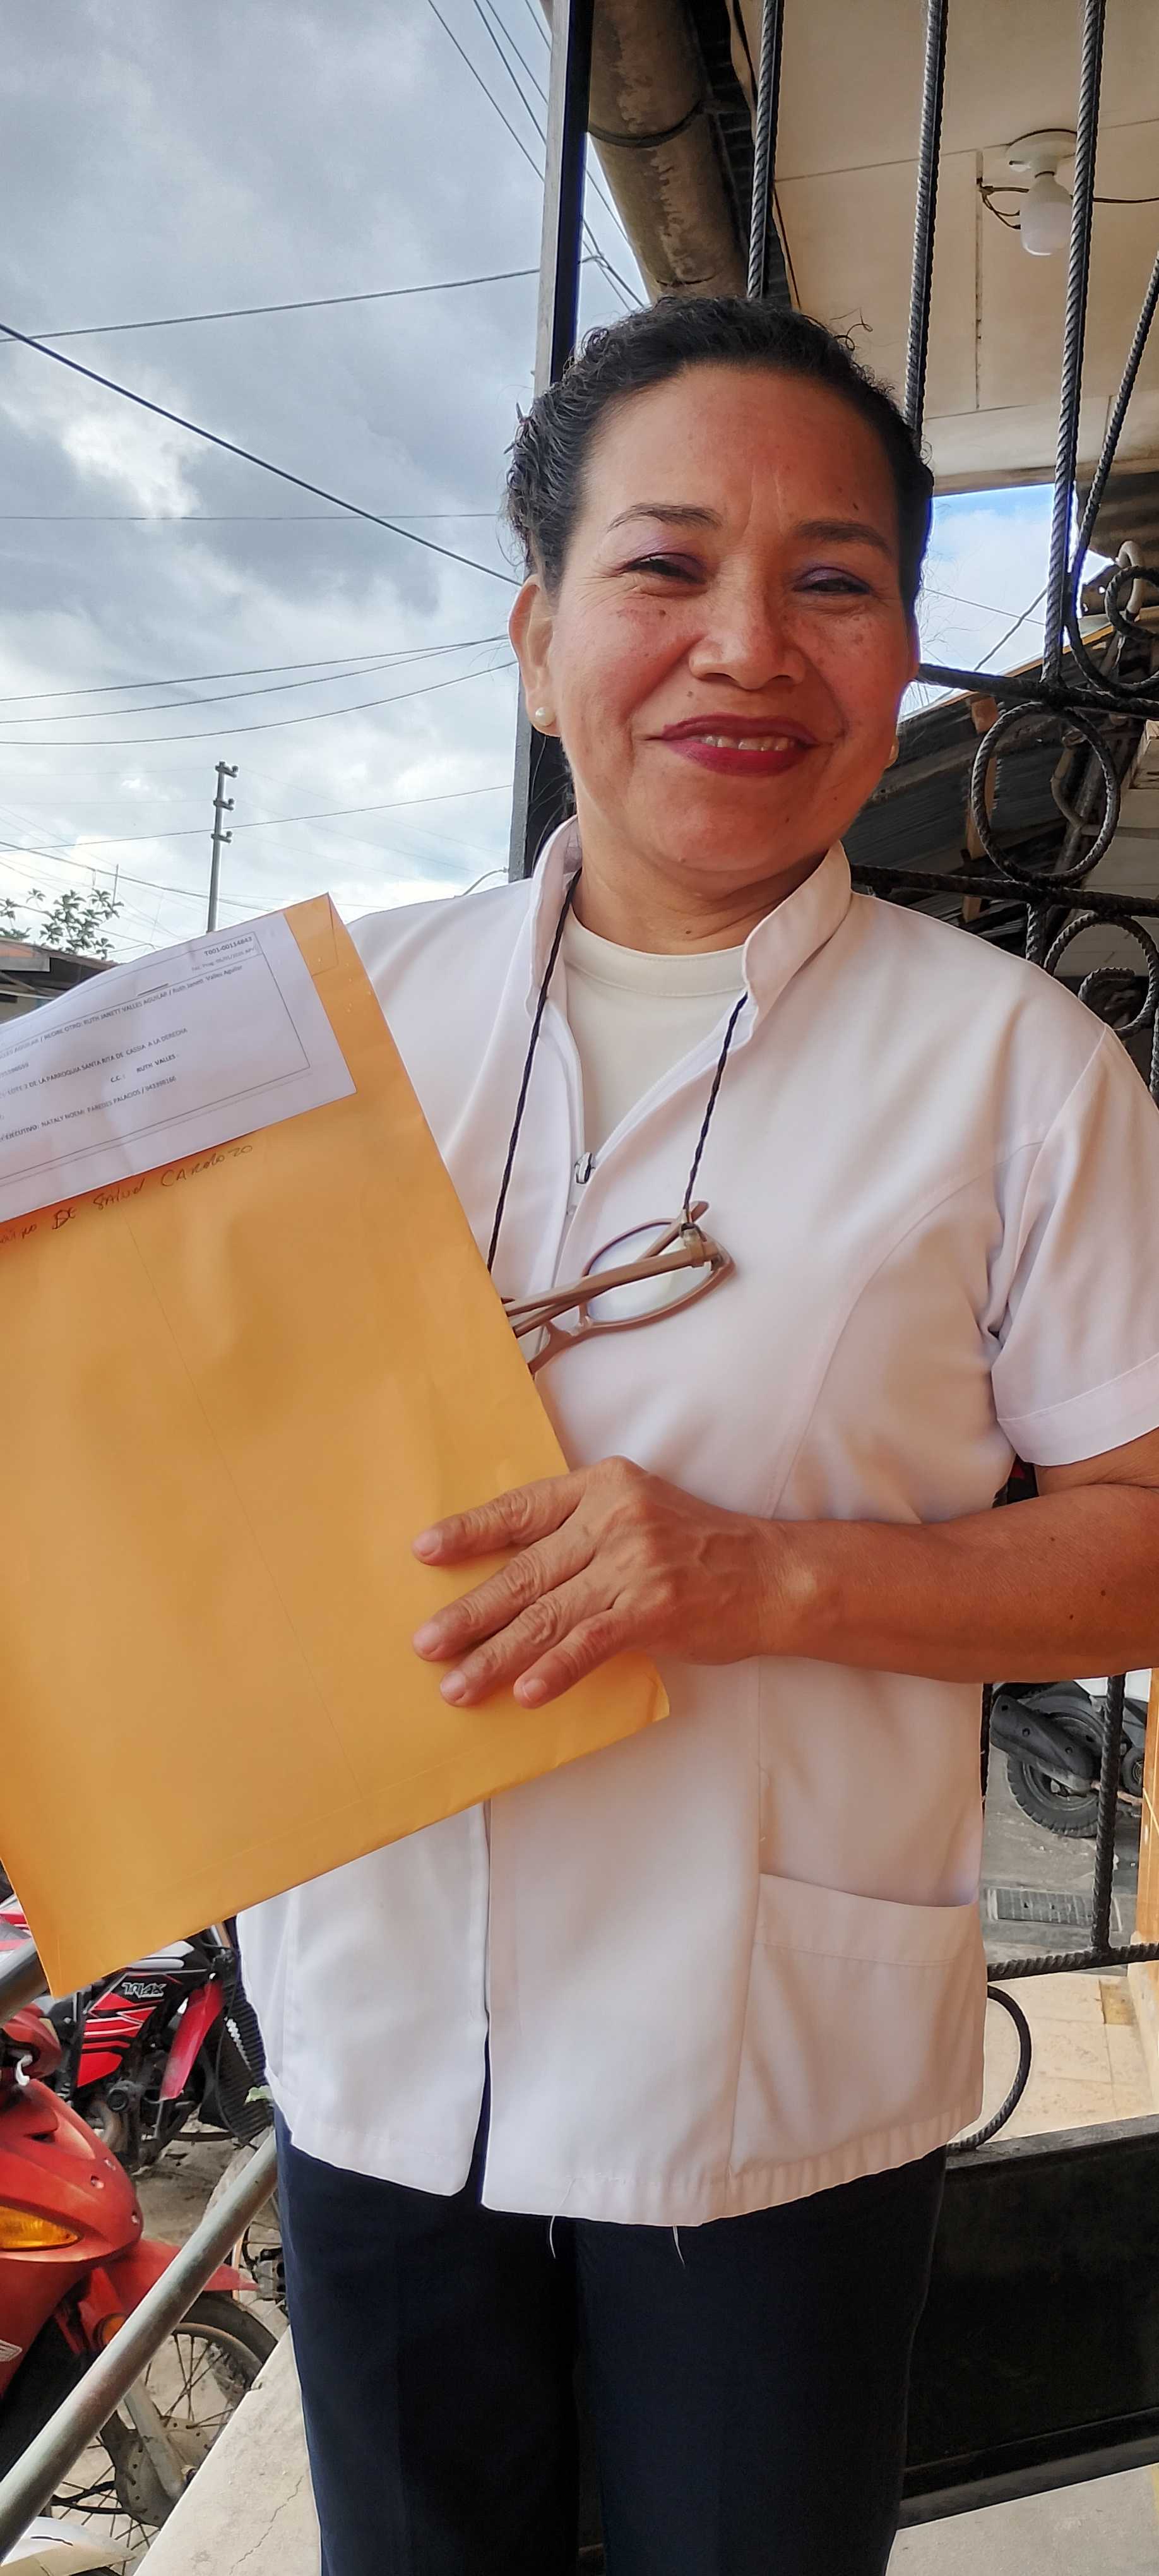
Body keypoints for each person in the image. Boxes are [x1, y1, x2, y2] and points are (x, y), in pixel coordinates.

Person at [239, 297, 1159, 2576]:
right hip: (374, 2033)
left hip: (760, 2076)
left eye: (830, 579)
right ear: (538, 640)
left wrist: (766, 1573)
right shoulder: (323, 1033)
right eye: (662, 567)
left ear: (901, 650)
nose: (745, 644)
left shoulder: (1018, 1071)